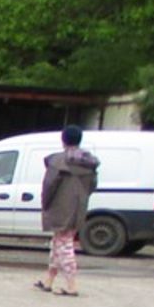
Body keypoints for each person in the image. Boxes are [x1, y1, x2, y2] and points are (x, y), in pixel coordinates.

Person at [35, 124, 99, 297]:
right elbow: (93, 186)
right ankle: (48, 279)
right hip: (78, 207)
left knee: (64, 245)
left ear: (63, 140)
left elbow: (49, 186)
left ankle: (72, 285)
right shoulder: (89, 163)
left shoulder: (57, 162)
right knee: (59, 242)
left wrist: (45, 204)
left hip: (60, 206)